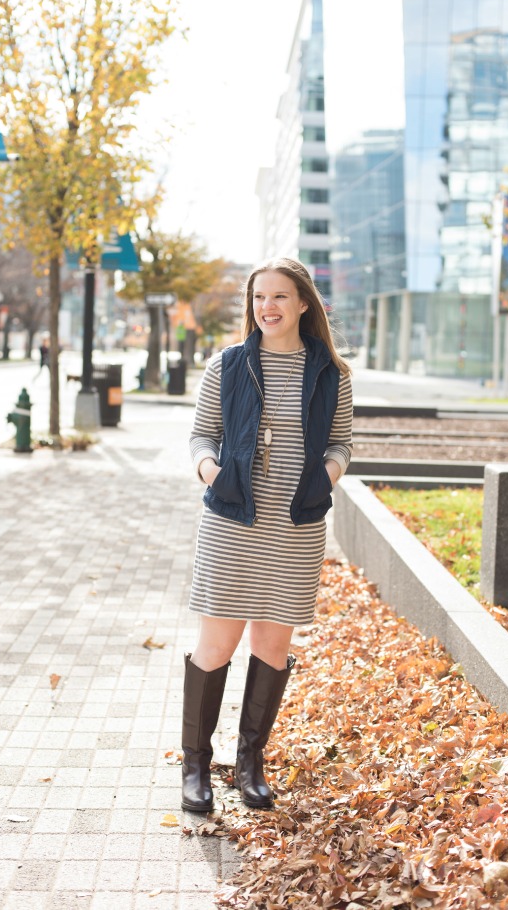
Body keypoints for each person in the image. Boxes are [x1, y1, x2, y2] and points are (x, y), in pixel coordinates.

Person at [183, 257, 353, 812]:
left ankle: (250, 764)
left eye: (281, 296)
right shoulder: (227, 366)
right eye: (259, 297)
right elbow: (201, 437)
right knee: (216, 645)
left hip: (295, 529)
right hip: (231, 525)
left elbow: (340, 445)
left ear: (304, 303)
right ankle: (196, 768)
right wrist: (215, 473)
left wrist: (318, 480)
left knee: (272, 647)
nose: (268, 307)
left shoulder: (330, 371)